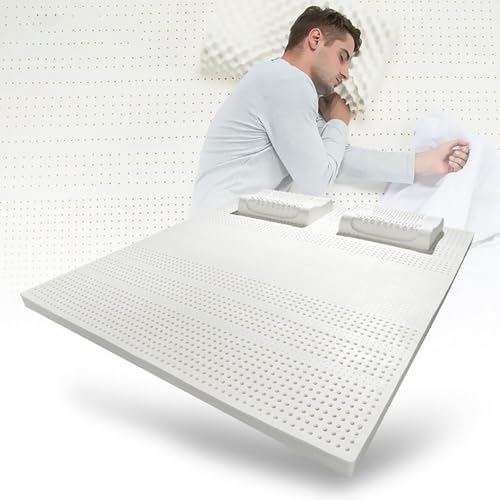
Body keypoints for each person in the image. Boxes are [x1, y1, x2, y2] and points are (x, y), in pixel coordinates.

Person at [189, 5, 470, 217]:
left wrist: (420, 163)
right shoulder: (288, 81)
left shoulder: (280, 87)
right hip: (225, 224)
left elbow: (332, 161)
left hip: (225, 224)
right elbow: (316, 181)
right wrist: (338, 122)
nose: (346, 74)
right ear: (315, 39)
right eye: (343, 57)